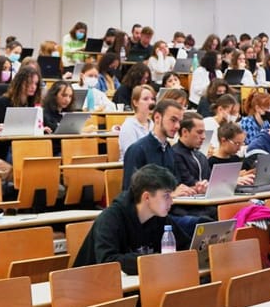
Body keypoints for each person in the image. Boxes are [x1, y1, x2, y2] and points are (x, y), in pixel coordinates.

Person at [71, 166, 203, 274]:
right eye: (166, 196)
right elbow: (108, 261)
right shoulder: (110, 218)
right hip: (90, 287)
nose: (171, 201)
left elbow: (184, 245)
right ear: (146, 197)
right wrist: (154, 261)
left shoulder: (160, 218)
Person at [122, 96, 185, 183]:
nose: (177, 126)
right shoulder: (137, 150)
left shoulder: (170, 150)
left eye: (179, 122)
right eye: (173, 120)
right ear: (157, 118)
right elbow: (130, 188)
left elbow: (175, 183)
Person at [115, 84, 158, 151]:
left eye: (152, 99)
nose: (151, 102)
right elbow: (132, 153)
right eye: (145, 99)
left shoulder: (153, 124)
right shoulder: (128, 126)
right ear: (135, 102)